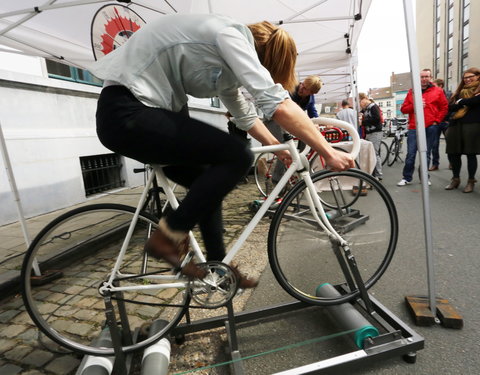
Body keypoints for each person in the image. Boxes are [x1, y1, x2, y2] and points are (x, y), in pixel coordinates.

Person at [89, 14, 354, 288]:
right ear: (263, 60)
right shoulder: (229, 37)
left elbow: (244, 115)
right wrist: (326, 149)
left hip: (138, 114)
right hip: (127, 112)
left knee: (209, 181)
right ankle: (167, 237)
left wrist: (276, 150)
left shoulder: (223, 58)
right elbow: (278, 104)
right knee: (237, 155)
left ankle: (219, 268)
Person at [397, 69, 448, 186]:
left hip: (431, 126)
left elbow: (444, 107)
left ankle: (424, 177)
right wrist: (415, 105)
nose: (424, 79)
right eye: (421, 77)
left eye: (426, 76)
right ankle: (406, 177)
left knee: (426, 153)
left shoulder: (438, 91)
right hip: (414, 127)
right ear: (418, 78)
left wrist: (437, 121)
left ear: (431, 77)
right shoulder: (412, 92)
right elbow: (403, 109)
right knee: (411, 153)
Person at [444, 67, 480, 193]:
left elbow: (476, 101)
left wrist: (462, 102)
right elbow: (450, 107)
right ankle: (455, 178)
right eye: (465, 77)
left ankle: (471, 181)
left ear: (478, 76)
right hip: (455, 124)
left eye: (471, 77)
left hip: (472, 124)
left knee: (471, 154)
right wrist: (464, 102)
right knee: (453, 153)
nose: (468, 79)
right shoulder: (460, 91)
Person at [359, 94, 383, 180]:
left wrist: (364, 122)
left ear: (365, 99)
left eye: (360, 101)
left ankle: (378, 174)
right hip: (370, 133)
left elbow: (377, 119)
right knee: (372, 153)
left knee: (375, 153)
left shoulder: (373, 107)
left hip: (375, 132)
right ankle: (374, 173)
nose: (360, 104)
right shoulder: (366, 108)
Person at [429, 78, 450, 171]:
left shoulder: (449, 95)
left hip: (446, 122)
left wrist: (449, 120)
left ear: (440, 86)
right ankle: (435, 164)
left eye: (434, 85)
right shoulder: (433, 95)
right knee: (434, 144)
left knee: (450, 144)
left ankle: (452, 163)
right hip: (436, 122)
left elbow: (450, 108)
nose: (433, 87)